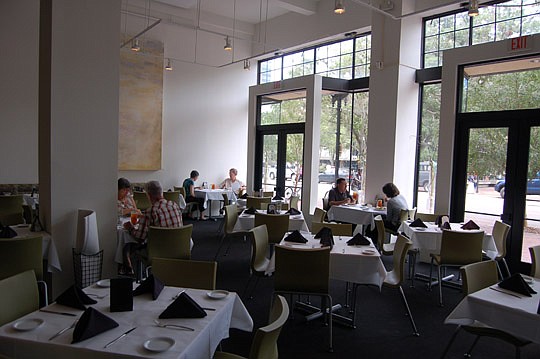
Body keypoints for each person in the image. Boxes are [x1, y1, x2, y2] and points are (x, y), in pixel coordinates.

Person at [122, 180, 183, 274]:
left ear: (148, 195)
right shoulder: (174, 205)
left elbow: (139, 238)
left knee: (130, 249)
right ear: (162, 192)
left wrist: (130, 227)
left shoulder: (151, 211)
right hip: (179, 247)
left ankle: (136, 280)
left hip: (159, 251)